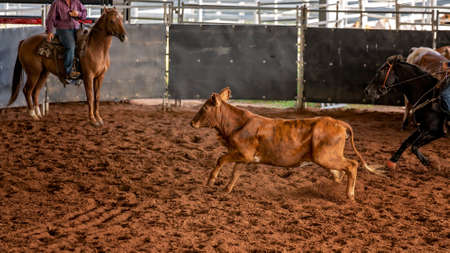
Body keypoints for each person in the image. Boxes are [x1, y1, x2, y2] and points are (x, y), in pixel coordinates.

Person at [46, 0, 87, 82]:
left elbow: (84, 14)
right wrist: (50, 31)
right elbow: (50, 18)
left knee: (85, 45)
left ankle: (84, 69)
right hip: (63, 29)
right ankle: (68, 72)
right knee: (71, 47)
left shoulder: (76, 2)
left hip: (77, 28)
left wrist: (78, 14)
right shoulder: (57, 3)